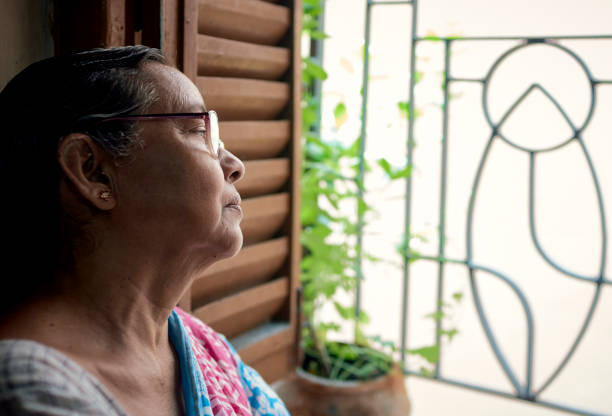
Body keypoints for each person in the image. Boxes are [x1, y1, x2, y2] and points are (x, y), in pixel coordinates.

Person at [0, 46, 290, 416]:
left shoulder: (195, 343)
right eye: (201, 131)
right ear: (93, 171)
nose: (234, 165)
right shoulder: (31, 389)